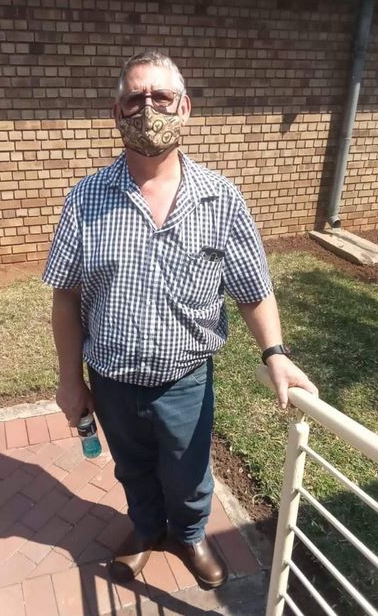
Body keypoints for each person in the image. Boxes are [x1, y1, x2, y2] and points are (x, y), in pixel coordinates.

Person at [43, 50, 318, 588]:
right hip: (112, 377)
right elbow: (66, 298)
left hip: (185, 381)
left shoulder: (220, 198)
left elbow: (253, 290)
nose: (148, 109)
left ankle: (190, 536)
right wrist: (70, 380)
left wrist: (276, 354)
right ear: (117, 112)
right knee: (132, 466)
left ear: (185, 107)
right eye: (135, 99)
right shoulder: (85, 199)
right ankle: (147, 530)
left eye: (161, 97)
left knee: (188, 472)